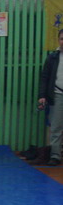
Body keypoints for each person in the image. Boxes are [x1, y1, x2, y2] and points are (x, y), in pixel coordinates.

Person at [38, 28, 63, 166]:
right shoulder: (52, 57)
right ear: (58, 40)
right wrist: (42, 96)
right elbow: (44, 78)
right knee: (56, 127)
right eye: (62, 38)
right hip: (57, 95)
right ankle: (55, 156)